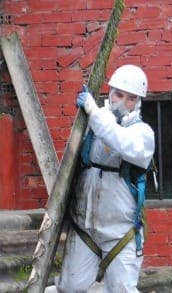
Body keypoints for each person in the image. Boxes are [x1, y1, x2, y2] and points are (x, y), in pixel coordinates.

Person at [56, 64, 155, 292]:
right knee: (70, 287)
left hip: (120, 230)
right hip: (85, 226)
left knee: (122, 289)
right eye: (118, 94)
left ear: (138, 101)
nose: (122, 102)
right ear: (110, 92)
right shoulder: (93, 123)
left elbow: (118, 139)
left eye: (130, 98)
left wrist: (93, 111)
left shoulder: (142, 134)